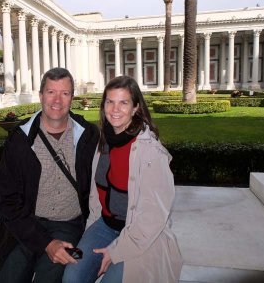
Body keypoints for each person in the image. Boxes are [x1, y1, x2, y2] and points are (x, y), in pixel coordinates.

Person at [63, 76, 183, 283]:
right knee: (72, 277)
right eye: (110, 101)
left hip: (139, 233)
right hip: (105, 226)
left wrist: (116, 251)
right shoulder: (103, 141)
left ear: (135, 107)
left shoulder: (151, 152)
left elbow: (153, 217)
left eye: (123, 102)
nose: (115, 109)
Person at [0, 67, 99, 283]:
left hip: (68, 224)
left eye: (65, 93)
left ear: (72, 98)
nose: (57, 100)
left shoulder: (88, 135)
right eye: (51, 92)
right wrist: (45, 243)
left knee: (49, 278)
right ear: (41, 95)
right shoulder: (20, 139)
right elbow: (7, 201)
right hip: (27, 224)